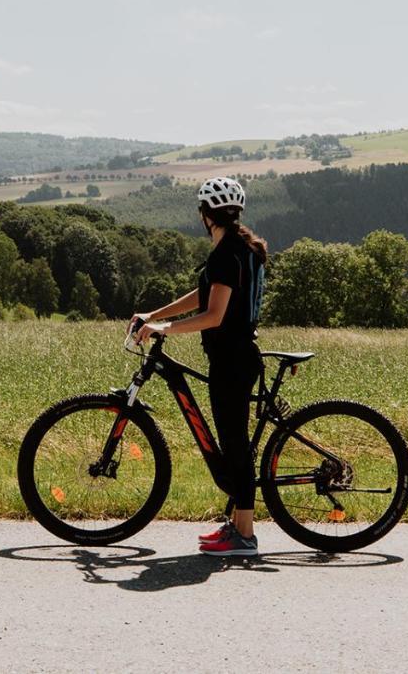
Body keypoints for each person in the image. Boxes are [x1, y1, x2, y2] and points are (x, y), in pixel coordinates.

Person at [132, 176, 268, 556]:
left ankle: (245, 536)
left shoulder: (228, 253)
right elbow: (204, 292)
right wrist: (153, 314)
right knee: (233, 442)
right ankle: (238, 527)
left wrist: (166, 329)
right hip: (236, 358)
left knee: (235, 445)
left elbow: (213, 314)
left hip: (233, 360)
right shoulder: (240, 249)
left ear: (205, 215)